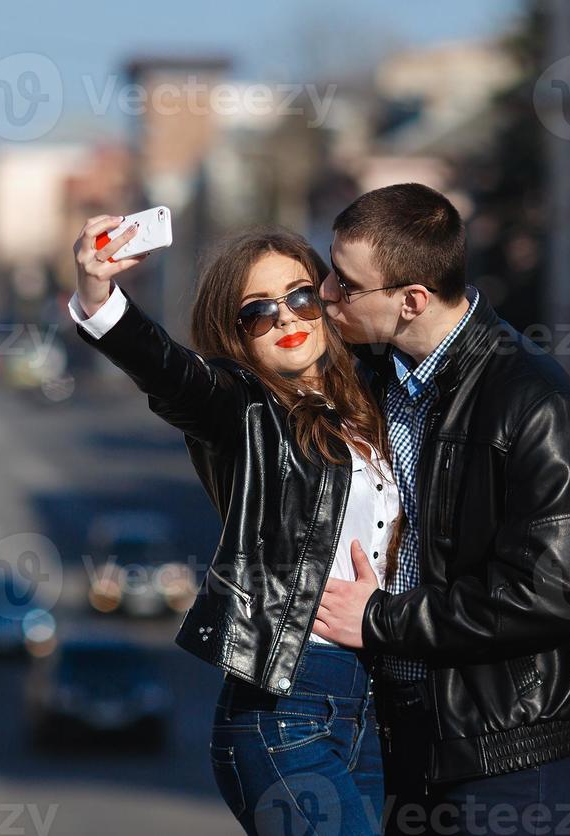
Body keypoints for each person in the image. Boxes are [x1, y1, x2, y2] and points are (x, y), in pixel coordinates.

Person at [71, 219, 399, 835]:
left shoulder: (377, 403)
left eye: (301, 296)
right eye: (259, 312)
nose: (286, 319)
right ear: (237, 335)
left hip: (376, 707)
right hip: (284, 708)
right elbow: (173, 374)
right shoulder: (244, 412)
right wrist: (99, 298)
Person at [308, 183, 570, 836]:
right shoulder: (373, 376)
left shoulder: (534, 403)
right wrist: (104, 309)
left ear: (410, 300)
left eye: (345, 282)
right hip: (399, 727)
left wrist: (380, 620)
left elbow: (551, 594)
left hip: (507, 739)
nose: (327, 292)